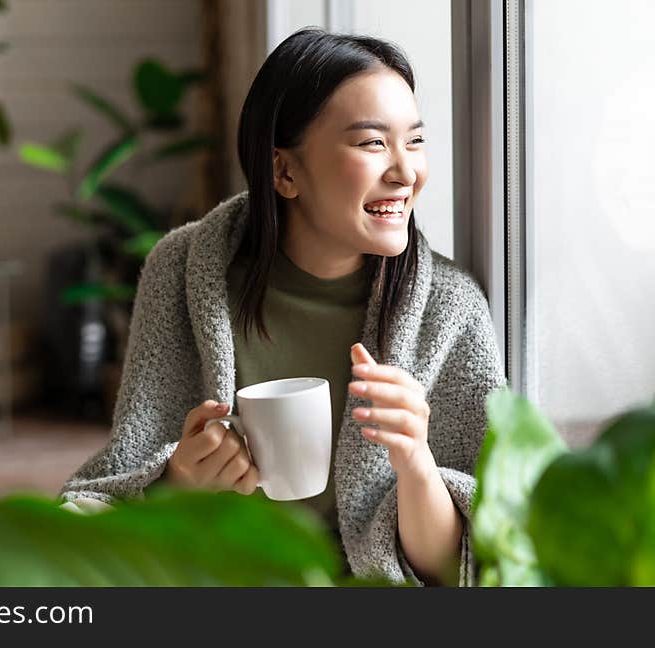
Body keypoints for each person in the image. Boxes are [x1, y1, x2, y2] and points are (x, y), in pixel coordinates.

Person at [59, 28, 506, 587]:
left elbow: (461, 568)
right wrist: (177, 481)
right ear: (285, 171)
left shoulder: (451, 309)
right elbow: (118, 484)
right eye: (372, 144)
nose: (404, 172)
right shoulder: (182, 271)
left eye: (414, 141)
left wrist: (415, 459)